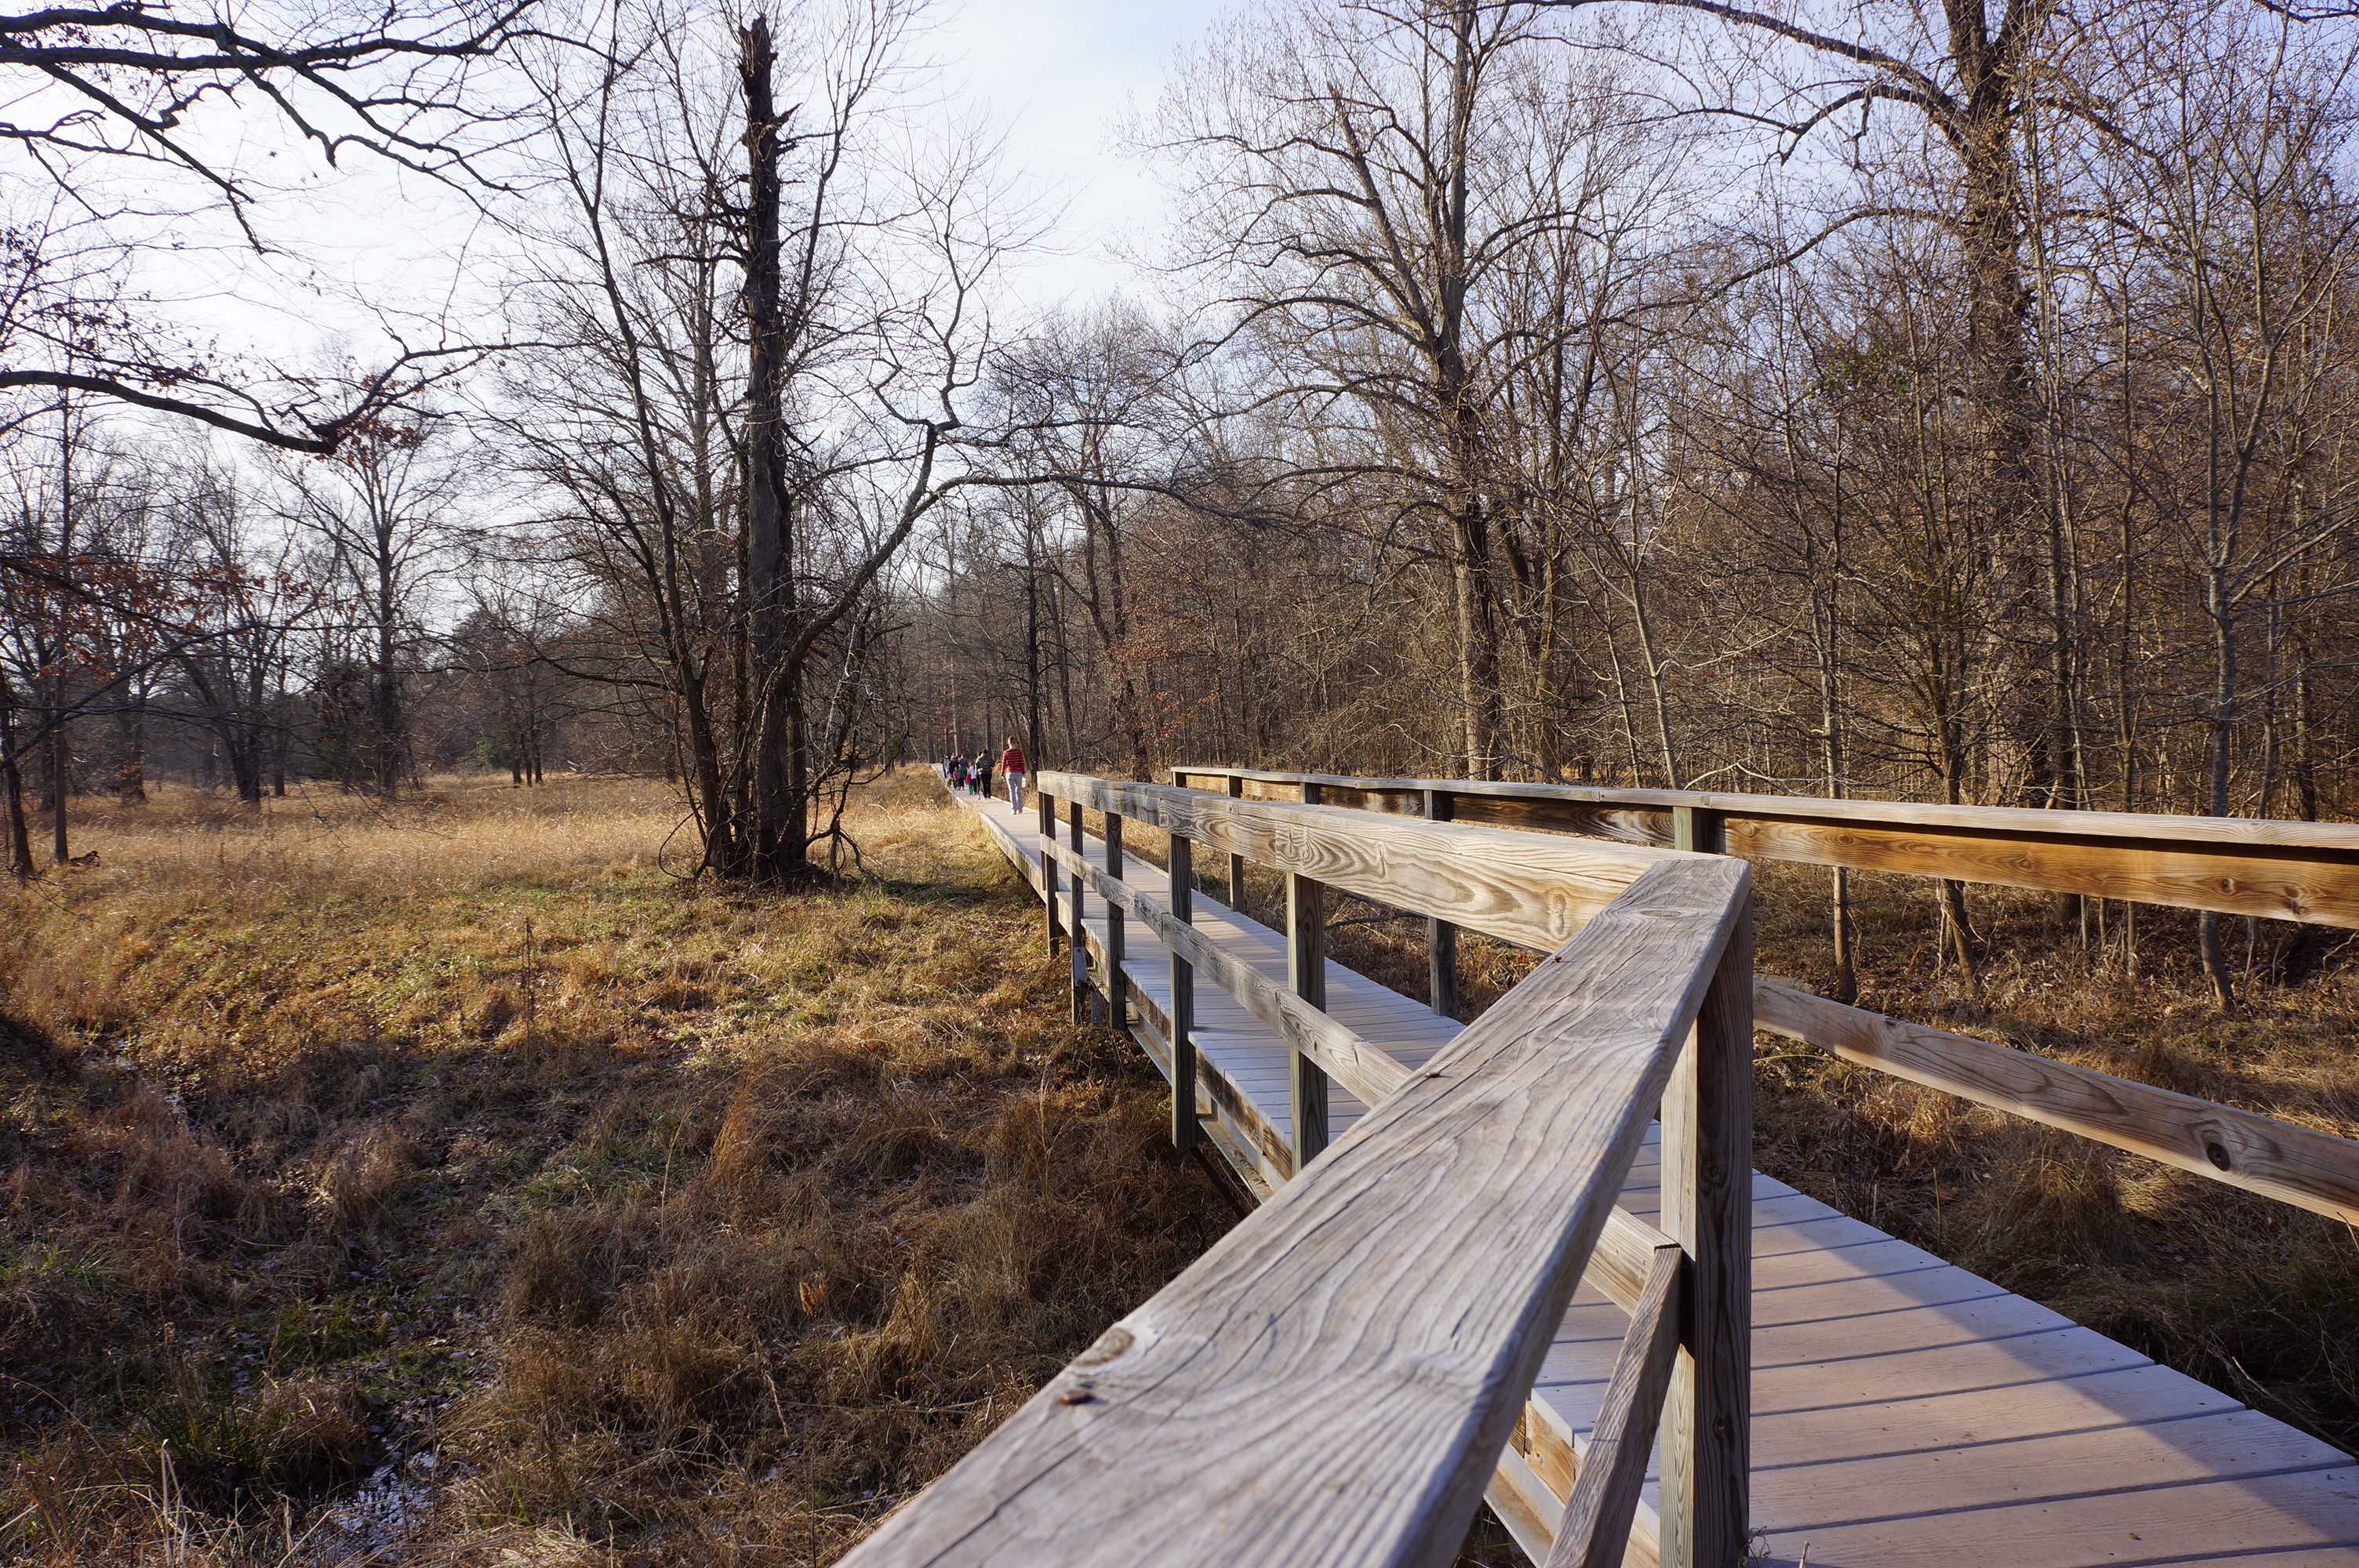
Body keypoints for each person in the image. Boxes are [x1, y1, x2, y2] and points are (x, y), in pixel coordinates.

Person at [1000, 736, 1027, 811]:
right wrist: (1023, 773)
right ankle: (1020, 809)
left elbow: (1004, 764)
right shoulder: (1019, 752)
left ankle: (1014, 809)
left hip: (1009, 773)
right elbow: (1022, 763)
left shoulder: (1006, 752)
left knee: (1012, 791)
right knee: (1018, 791)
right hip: (1018, 773)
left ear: (1008, 743)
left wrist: (1002, 773)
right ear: (1015, 743)